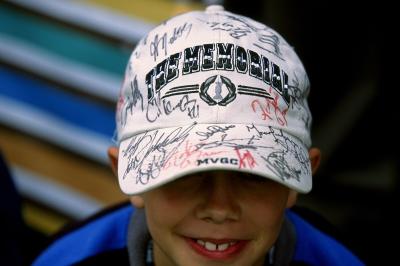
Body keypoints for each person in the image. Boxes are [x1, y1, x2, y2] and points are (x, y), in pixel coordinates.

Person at [33, 5, 364, 266]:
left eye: (253, 175)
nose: (219, 208)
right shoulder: (68, 259)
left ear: (299, 178)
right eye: (185, 173)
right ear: (127, 175)